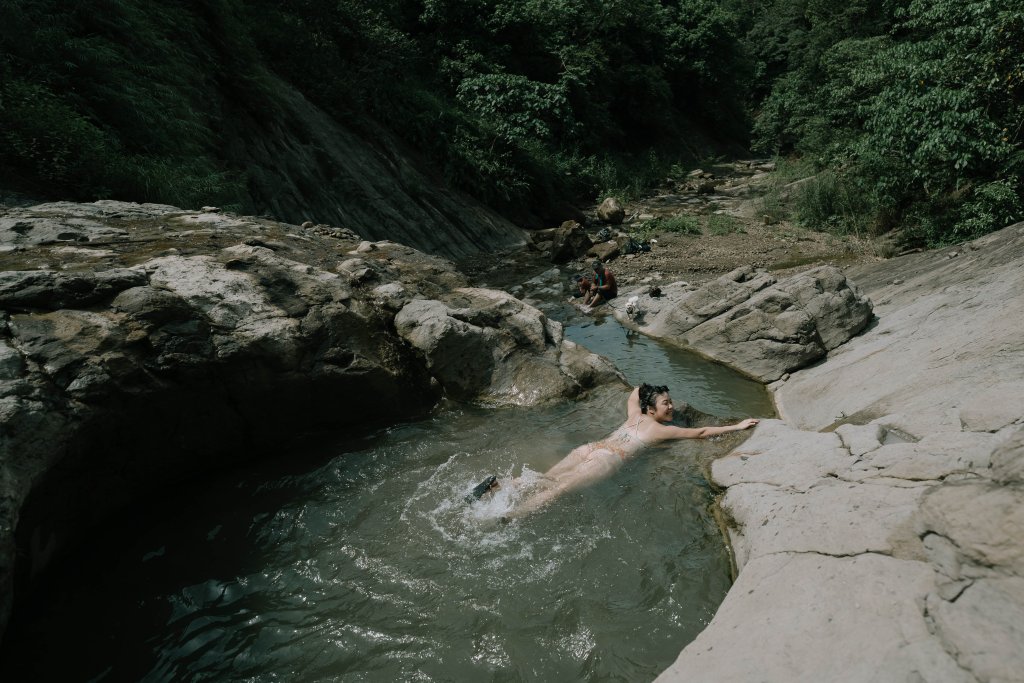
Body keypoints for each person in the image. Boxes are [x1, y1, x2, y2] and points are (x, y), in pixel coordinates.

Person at [468, 383, 759, 518]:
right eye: (666, 403)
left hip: (590, 448)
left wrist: (648, 391)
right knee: (555, 490)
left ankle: (496, 486)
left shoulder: (634, 414)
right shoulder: (662, 429)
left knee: (546, 478)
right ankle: (511, 517)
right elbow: (702, 432)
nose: (672, 407)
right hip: (607, 459)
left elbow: (635, 390)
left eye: (671, 402)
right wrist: (738, 426)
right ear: (652, 409)